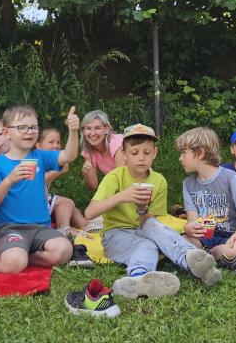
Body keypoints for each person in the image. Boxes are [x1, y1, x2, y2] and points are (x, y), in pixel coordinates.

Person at [85, 124, 221, 299]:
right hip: (115, 234)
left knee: (154, 227)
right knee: (147, 245)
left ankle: (190, 257)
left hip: (143, 230)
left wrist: (142, 210)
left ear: (155, 153)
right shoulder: (115, 177)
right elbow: (89, 213)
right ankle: (137, 277)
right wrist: (121, 196)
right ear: (124, 154)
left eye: (147, 152)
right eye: (134, 153)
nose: (141, 158)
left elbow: (149, 225)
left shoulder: (159, 181)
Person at [0, 105, 81, 273]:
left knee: (64, 250)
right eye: (22, 127)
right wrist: (9, 180)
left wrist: (73, 131)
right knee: (14, 264)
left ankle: (26, 256)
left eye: (34, 127)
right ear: (6, 132)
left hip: (40, 228)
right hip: (9, 228)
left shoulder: (40, 156)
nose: (29, 132)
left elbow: (68, 156)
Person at [175, 127, 236, 275]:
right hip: (203, 237)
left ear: (200, 153)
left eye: (184, 153)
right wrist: (189, 228)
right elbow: (192, 221)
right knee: (178, 241)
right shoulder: (188, 184)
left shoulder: (230, 178)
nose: (180, 158)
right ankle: (217, 257)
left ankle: (208, 256)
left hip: (230, 236)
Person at [37, 126, 90, 248]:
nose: (56, 145)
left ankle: (87, 228)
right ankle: (64, 228)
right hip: (33, 206)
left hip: (45, 201)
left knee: (71, 208)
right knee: (67, 203)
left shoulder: (50, 160)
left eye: (58, 142)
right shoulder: (35, 159)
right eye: (51, 142)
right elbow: (37, 182)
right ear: (39, 146)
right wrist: (57, 172)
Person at [78, 110, 125, 192]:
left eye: (97, 128)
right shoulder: (89, 151)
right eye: (88, 128)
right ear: (83, 131)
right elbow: (93, 187)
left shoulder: (117, 142)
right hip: (119, 189)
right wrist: (86, 172)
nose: (92, 133)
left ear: (106, 129)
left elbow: (121, 178)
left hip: (139, 183)